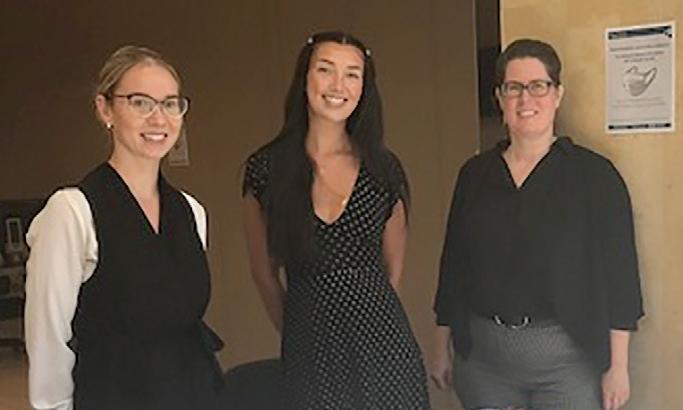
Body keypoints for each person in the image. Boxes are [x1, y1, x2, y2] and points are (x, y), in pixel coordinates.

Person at [430, 38, 645, 410]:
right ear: (499, 98)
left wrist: (618, 367)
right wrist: (440, 346)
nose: (525, 99)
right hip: (484, 363)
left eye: (538, 86)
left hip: (566, 364)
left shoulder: (594, 175)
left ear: (557, 94)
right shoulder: (475, 175)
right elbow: (454, 265)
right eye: (513, 88)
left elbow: (621, 276)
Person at [24, 45, 222, 410]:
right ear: (105, 109)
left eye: (170, 104)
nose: (158, 118)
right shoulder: (72, 211)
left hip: (193, 394)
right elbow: (48, 337)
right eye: (140, 102)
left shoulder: (191, 211)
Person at [242, 31, 430, 409]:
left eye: (352, 74)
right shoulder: (266, 169)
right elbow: (264, 273)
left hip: (385, 349)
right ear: (304, 78)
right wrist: (300, 331)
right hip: (308, 350)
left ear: (364, 88)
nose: (338, 85)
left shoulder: (383, 169)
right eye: (325, 70)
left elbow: (391, 273)